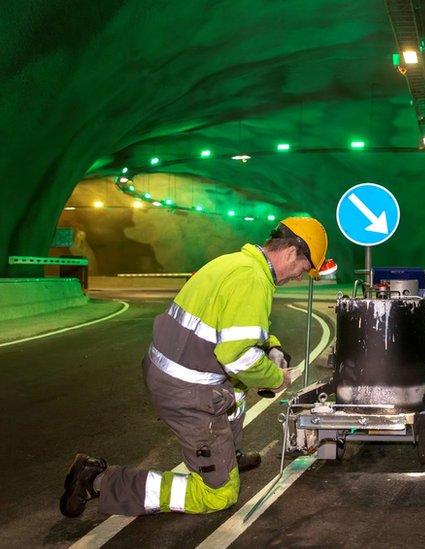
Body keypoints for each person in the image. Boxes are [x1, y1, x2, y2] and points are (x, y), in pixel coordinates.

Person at [59, 217, 328, 517]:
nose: (298, 277)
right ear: (292, 253)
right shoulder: (253, 281)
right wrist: (276, 378)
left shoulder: (236, 263)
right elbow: (237, 356)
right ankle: (98, 481)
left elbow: (239, 326)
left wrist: (272, 346)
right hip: (187, 390)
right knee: (219, 495)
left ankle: (228, 455)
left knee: (236, 393)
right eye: (303, 269)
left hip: (168, 370)